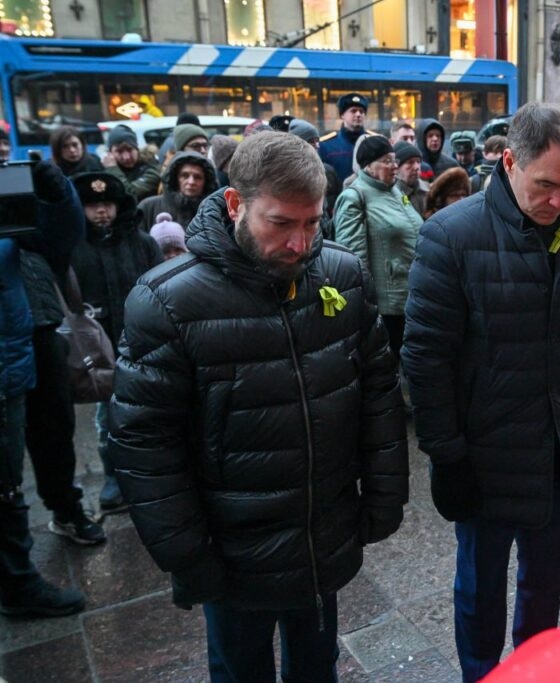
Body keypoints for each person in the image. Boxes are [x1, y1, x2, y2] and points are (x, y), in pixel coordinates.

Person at [107, 132, 409, 681]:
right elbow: (144, 444)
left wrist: (385, 497)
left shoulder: (341, 274)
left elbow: (378, 394)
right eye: (281, 223)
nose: (300, 243)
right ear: (234, 204)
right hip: (230, 551)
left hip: (322, 533)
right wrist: (187, 555)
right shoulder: (167, 301)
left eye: (312, 223)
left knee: (316, 665)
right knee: (240, 670)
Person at [402, 102, 560, 682]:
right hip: (485, 453)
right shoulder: (450, 235)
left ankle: (536, 672)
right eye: (546, 185)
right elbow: (426, 360)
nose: (559, 202)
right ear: (509, 162)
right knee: (480, 590)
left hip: (558, 445)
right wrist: (446, 454)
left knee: (546, 586)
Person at [1, 159, 90, 615]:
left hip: (27, 337)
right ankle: (16, 583)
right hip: (11, 347)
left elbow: (57, 237)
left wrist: (57, 195)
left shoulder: (10, 193)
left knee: (51, 434)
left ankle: (65, 510)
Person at [70, 172, 162, 512]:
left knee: (152, 412)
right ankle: (114, 475)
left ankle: (152, 473)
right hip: (101, 349)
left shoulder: (142, 243)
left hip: (143, 344)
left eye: (107, 204)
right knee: (108, 417)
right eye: (93, 205)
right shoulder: (74, 249)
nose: (101, 211)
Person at [334, 135, 422, 362]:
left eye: (394, 160)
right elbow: (353, 259)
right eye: (386, 161)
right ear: (368, 166)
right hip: (386, 306)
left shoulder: (395, 191)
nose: (394, 166)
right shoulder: (354, 197)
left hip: (410, 296)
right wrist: (364, 305)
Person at [137, 150, 219, 230]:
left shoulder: (214, 213)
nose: (191, 182)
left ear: (206, 182)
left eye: (198, 177)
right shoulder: (149, 207)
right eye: (185, 176)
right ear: (175, 178)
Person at [101, 125, 162, 200]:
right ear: (110, 153)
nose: (126, 157)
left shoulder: (152, 167)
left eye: (129, 150)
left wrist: (113, 169)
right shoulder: (106, 170)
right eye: (119, 151)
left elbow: (130, 194)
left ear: (137, 149)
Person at [319, 92, 368, 183]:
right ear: (342, 115)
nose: (358, 114)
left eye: (361, 111)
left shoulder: (375, 141)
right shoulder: (326, 145)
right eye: (353, 111)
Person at [393, 141, 430, 216]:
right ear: (397, 168)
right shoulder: (393, 194)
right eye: (410, 162)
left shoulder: (427, 189)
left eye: (418, 162)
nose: (417, 167)